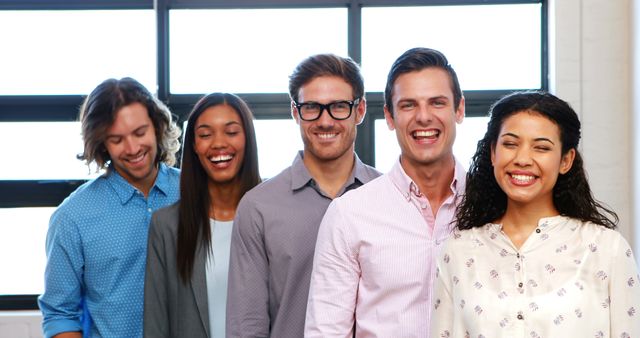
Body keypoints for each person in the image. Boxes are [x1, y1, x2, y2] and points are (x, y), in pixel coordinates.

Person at [430, 91, 640, 337]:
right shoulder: (457, 250)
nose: (522, 159)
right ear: (493, 153)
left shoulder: (607, 248)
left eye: (541, 147)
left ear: (566, 160)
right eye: (510, 144)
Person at [304, 47, 466, 337]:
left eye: (437, 102)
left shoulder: (495, 207)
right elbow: (326, 331)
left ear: (459, 110)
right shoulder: (349, 214)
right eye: (408, 105)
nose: (424, 117)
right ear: (389, 118)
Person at [225, 53, 381, 337]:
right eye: (312, 107)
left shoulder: (390, 197)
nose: (325, 121)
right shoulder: (258, 206)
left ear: (360, 111)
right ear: (295, 112)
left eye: (338, 106)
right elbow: (247, 325)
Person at [38, 77, 181, 338]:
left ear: (157, 127)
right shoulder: (72, 217)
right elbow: (59, 314)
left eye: (140, 133)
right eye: (117, 139)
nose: (133, 148)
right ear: (102, 142)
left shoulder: (195, 192)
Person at [143, 93, 261, 338]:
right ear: (194, 146)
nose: (218, 143)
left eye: (231, 132)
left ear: (247, 139)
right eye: (206, 135)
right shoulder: (167, 225)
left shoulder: (273, 218)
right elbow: (156, 324)